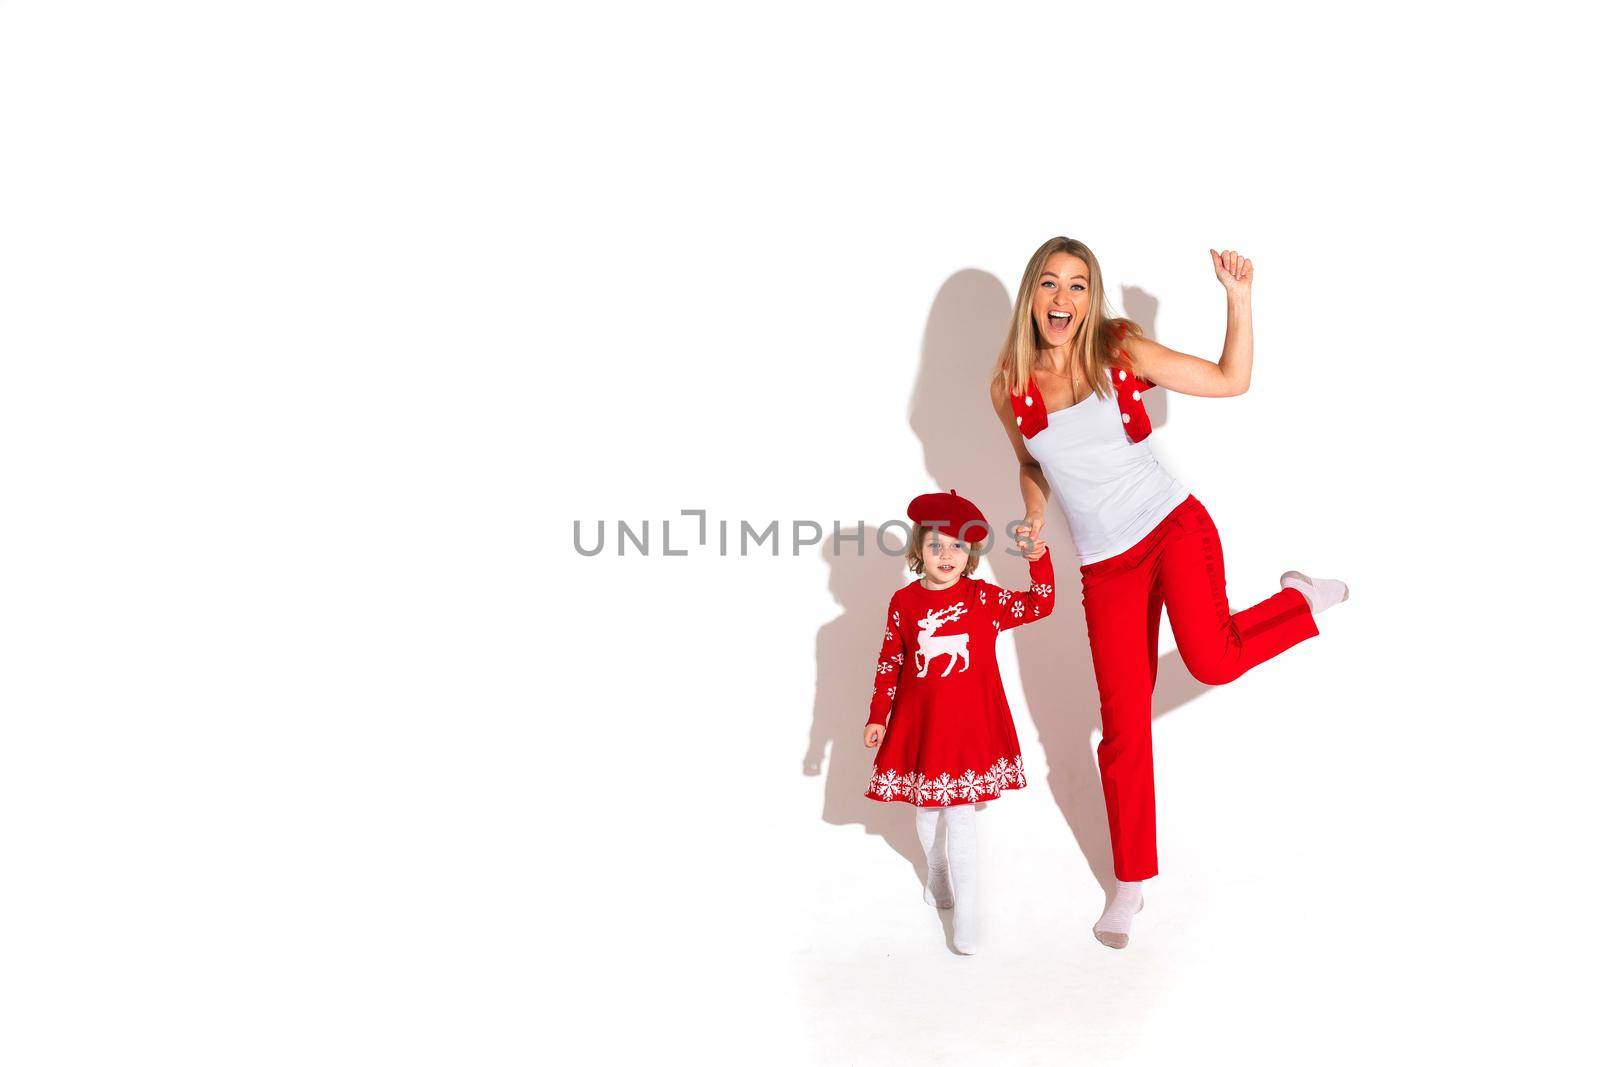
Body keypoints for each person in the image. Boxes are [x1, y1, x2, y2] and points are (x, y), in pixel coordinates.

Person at [989, 236, 1349, 949]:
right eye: (1051, 285)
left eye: (1079, 286)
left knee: (1212, 659)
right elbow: (1032, 462)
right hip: (1105, 565)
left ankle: (1298, 602)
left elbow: (1228, 379)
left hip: (1171, 527)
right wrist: (1032, 514)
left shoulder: (1116, 348)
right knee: (1123, 726)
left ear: (1092, 298)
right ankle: (1131, 882)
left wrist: (1238, 301)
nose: (1064, 300)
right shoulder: (1010, 384)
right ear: (1031, 293)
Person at [863, 489, 1053, 954]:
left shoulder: (983, 599)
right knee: (928, 813)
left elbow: (1039, 604)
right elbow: (891, 661)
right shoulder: (904, 603)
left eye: (958, 546)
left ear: (970, 555)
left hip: (969, 728)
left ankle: (966, 911)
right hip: (921, 725)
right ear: (918, 550)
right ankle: (937, 869)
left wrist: (1038, 560)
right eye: (935, 545)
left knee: (962, 817)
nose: (946, 555)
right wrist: (877, 717)